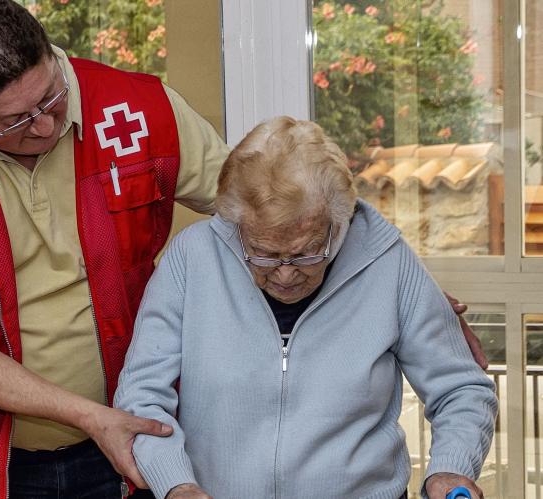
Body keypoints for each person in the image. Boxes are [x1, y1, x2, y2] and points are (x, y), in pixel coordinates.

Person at [0, 1, 485, 497]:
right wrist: (99, 422)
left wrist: (410, 297)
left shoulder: (140, 108)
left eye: (52, 99)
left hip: (124, 450)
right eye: (15, 121)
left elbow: (269, 199)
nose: (48, 127)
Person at [113, 117, 498, 499]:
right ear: (236, 224)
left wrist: (450, 469)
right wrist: (176, 485)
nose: (284, 275)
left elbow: (460, 388)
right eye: (262, 254)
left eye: (305, 253)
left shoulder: (388, 263)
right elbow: (142, 396)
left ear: (340, 222)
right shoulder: (192, 258)